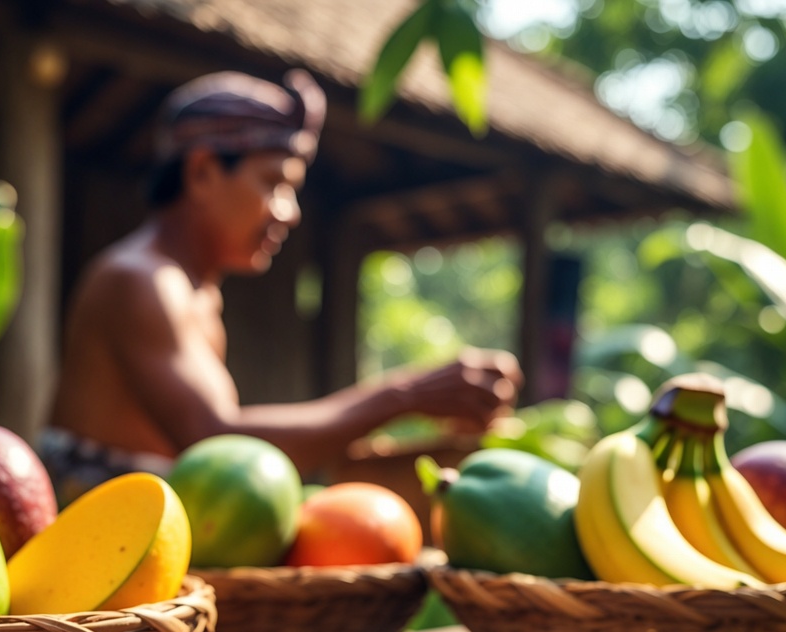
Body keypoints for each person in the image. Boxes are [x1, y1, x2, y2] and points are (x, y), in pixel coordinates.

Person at [42, 69, 523, 506]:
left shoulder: (198, 291)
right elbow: (218, 443)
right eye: (273, 182)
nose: (288, 212)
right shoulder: (141, 280)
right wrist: (407, 394)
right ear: (202, 172)